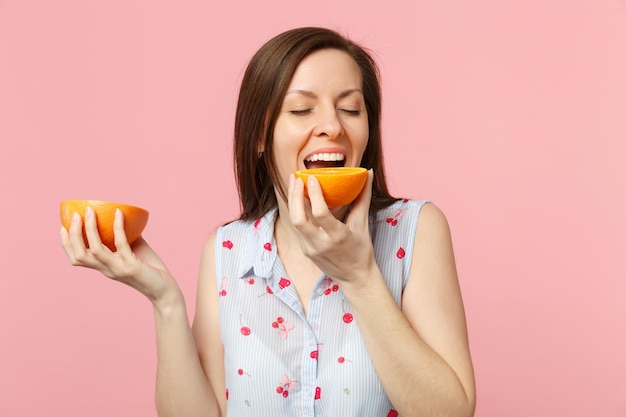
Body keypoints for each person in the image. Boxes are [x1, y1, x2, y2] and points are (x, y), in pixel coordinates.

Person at [60, 27, 475, 417]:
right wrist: (165, 302)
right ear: (260, 135)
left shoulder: (415, 230)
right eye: (301, 109)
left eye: (350, 108)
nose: (332, 126)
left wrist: (360, 276)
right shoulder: (227, 249)